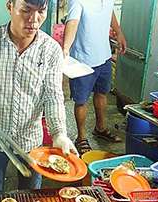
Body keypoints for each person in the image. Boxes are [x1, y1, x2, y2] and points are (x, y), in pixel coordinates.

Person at [0, 0, 77, 192]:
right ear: (9, 6)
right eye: (26, 10)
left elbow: (53, 95)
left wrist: (59, 133)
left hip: (31, 140)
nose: (34, 20)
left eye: (41, 11)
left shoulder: (51, 51)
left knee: (31, 196)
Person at [63, 0, 127, 155]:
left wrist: (118, 32)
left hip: (104, 55)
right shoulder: (77, 1)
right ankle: (81, 138)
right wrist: (65, 49)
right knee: (81, 101)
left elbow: (109, 12)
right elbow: (72, 22)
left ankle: (100, 128)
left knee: (102, 94)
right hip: (82, 60)